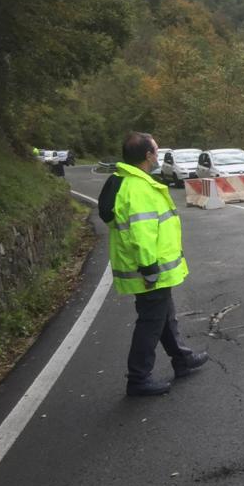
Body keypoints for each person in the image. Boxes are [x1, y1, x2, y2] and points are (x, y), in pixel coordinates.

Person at [98, 132, 208, 397]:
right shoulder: (137, 188)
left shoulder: (128, 181)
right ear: (147, 155)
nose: (158, 156)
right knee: (151, 321)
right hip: (149, 270)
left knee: (163, 315)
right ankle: (138, 377)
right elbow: (142, 233)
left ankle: (182, 358)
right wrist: (148, 269)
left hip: (152, 269)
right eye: (156, 151)